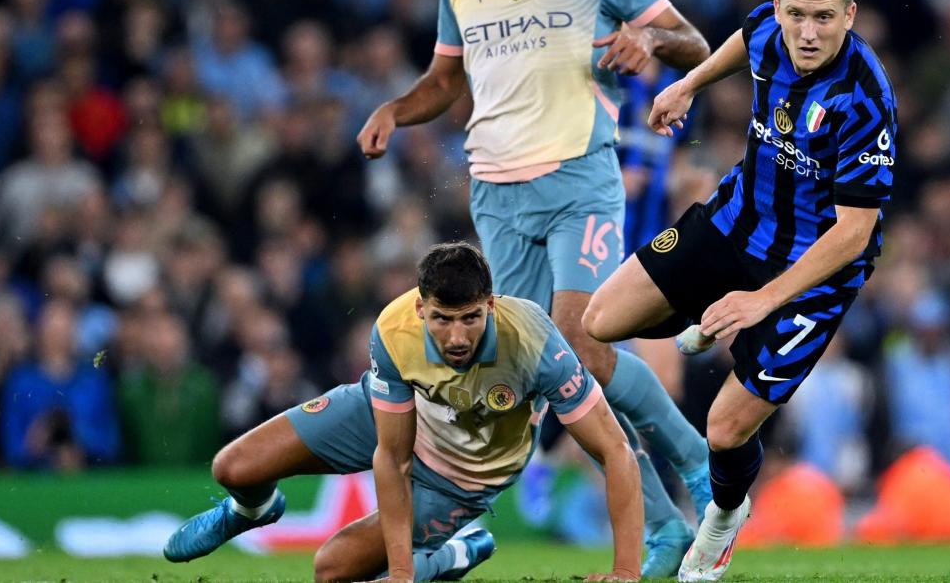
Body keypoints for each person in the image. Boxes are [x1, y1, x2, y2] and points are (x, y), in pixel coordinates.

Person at [356, 0, 712, 574]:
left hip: (580, 175)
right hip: (495, 191)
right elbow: (445, 81)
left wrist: (646, 41)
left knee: (582, 339)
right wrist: (395, 107)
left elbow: (694, 45)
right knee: (539, 369)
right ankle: (664, 527)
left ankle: (694, 459)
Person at [584, 0, 897, 581]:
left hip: (813, 275)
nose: (807, 33)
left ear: (851, 15)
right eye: (796, 15)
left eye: (825, 19)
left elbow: (855, 233)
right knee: (601, 321)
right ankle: (705, 316)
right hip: (732, 225)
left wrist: (765, 300)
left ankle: (723, 518)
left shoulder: (865, 100)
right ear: (779, 7)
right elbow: (743, 40)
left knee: (724, 430)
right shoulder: (768, 29)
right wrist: (687, 83)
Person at [163, 242, 642, 583]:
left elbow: (615, 449)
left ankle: (452, 554)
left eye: (471, 318)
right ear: (419, 309)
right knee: (233, 467)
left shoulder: (534, 343)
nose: (457, 337)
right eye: (442, 319)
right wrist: (398, 571)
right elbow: (392, 458)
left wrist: (624, 572)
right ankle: (255, 509)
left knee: (330, 569)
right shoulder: (393, 329)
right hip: (388, 415)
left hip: (464, 473)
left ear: (491, 307)